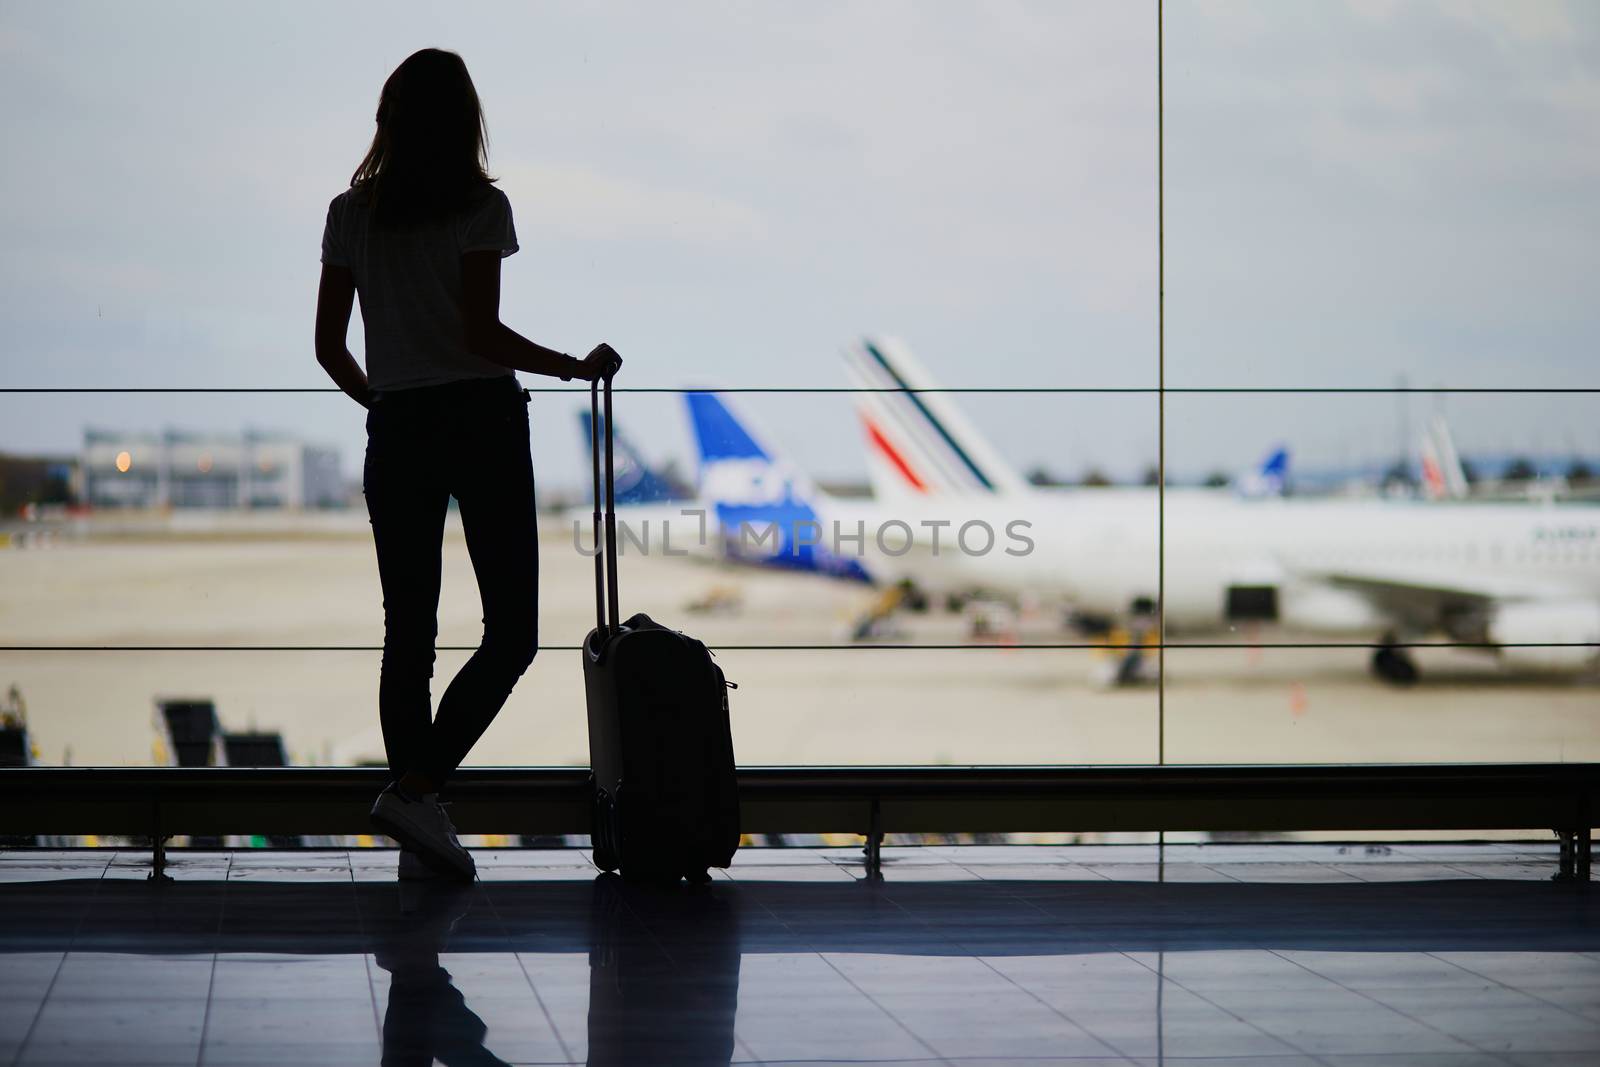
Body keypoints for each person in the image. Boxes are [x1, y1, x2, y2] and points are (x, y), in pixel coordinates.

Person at [314, 48, 620, 882]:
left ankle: (416, 805)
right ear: (465, 120)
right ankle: (419, 793)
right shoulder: (481, 208)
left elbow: (328, 348)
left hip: (399, 425)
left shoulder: (351, 213)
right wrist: (571, 365)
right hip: (481, 421)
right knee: (512, 633)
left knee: (407, 635)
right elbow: (481, 335)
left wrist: (384, 402)